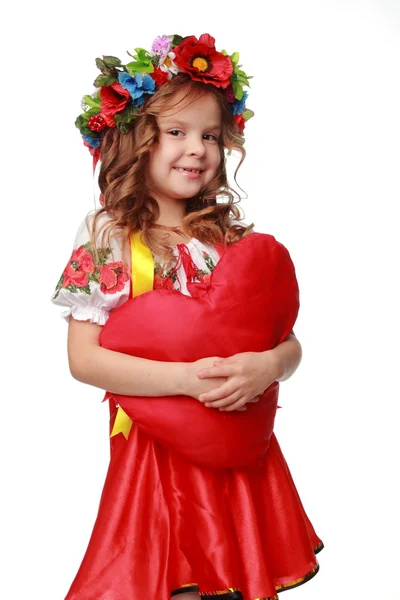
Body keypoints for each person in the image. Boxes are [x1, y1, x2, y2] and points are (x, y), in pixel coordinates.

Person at [52, 33, 323, 600]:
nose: (197, 148)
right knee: (173, 578)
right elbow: (84, 359)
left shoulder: (226, 240)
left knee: (235, 578)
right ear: (135, 140)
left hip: (238, 446)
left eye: (210, 135)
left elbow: (289, 343)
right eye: (175, 133)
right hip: (157, 453)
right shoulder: (110, 236)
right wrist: (187, 383)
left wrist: (268, 365)